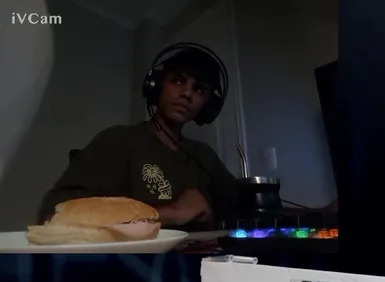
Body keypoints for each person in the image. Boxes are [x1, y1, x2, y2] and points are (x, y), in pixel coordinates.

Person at [37, 43, 239, 230]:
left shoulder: (205, 156)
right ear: (156, 86)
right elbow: (52, 216)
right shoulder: (117, 140)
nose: (187, 93)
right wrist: (170, 212)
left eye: (199, 89)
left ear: (208, 106)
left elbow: (241, 206)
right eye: (177, 80)